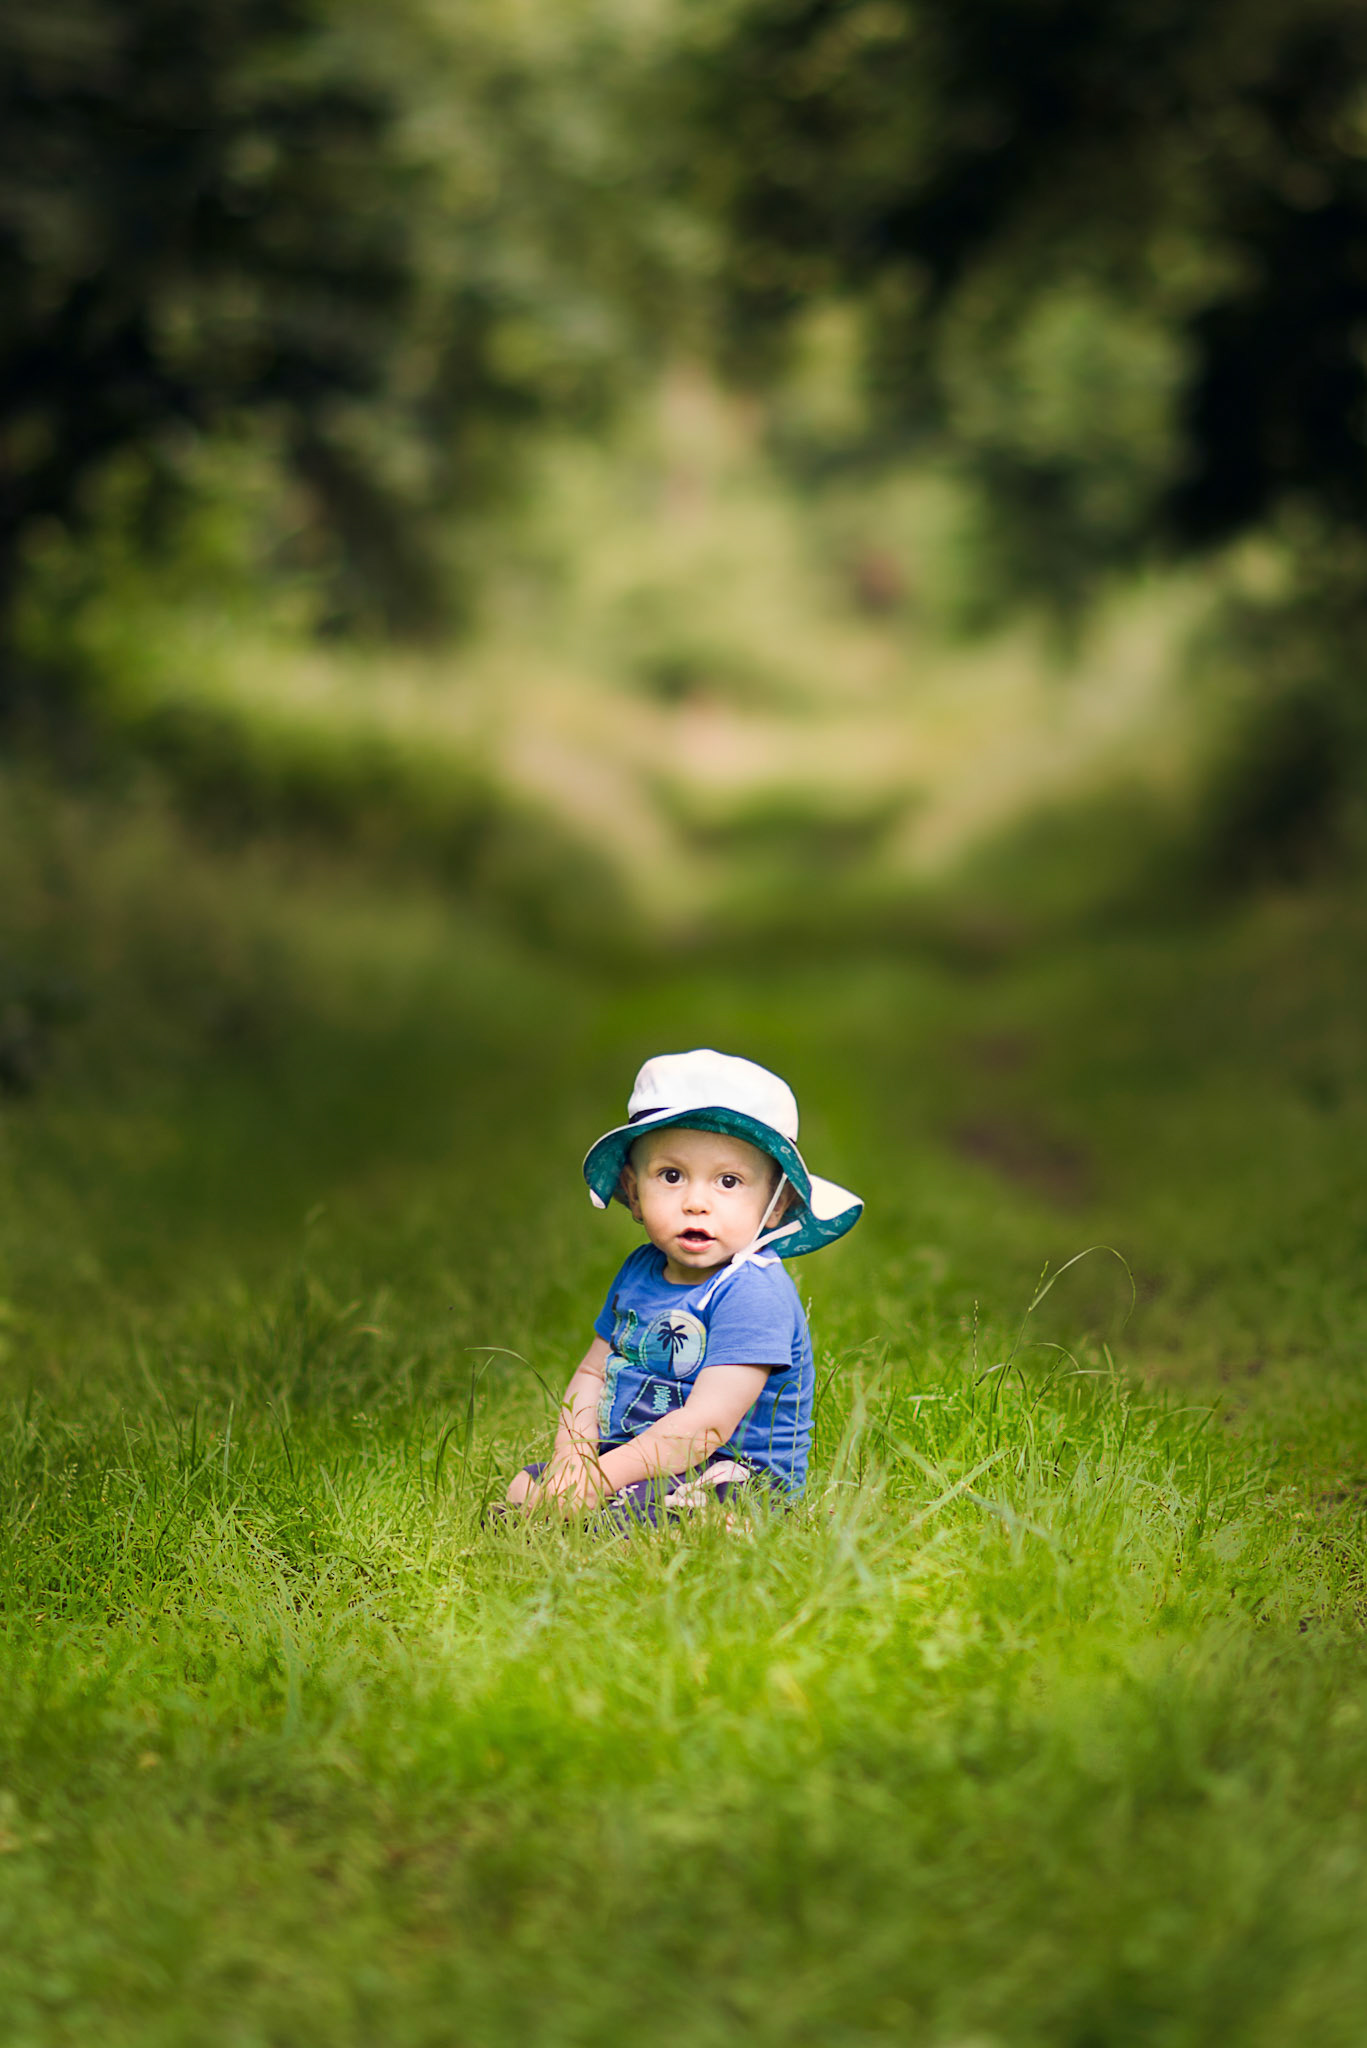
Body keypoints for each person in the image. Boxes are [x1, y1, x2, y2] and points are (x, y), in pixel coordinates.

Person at [504, 1048, 862, 1527]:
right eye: (671, 1176)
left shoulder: (751, 1290)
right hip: (633, 1459)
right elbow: (592, 1374)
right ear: (633, 1191)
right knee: (525, 1487)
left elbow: (706, 1425)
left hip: (728, 1469)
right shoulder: (640, 1269)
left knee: (670, 1510)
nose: (696, 1202)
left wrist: (598, 1479)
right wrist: (574, 1459)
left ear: (776, 1206)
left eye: (729, 1181)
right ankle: (594, 1516)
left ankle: (636, 1528)